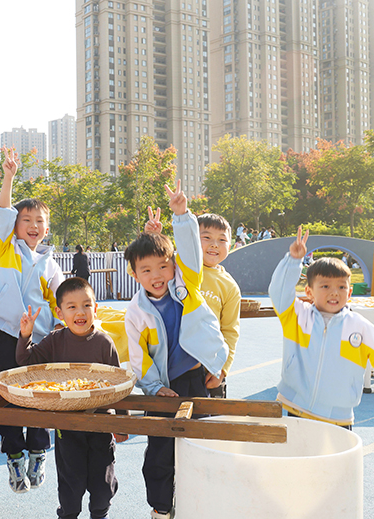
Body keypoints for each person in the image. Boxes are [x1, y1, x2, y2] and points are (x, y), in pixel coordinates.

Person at [124, 180, 228, 519]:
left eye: (163, 267)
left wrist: (182, 216)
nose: (157, 276)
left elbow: (189, 251)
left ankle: (203, 502)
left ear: (173, 265)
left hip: (196, 376)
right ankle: (161, 506)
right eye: (147, 270)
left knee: (202, 442)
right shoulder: (137, 312)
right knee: (160, 449)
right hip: (165, 387)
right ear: (135, 274)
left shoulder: (187, 284)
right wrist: (154, 388)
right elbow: (139, 357)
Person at [0, 147, 64, 494]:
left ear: (46, 229)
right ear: (15, 227)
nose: (33, 226)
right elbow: (3, 211)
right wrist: (9, 178)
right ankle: (14, 457)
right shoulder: (5, 249)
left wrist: (66, 320)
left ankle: (38, 452)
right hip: (6, 332)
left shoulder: (50, 262)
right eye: (26, 220)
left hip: (39, 338)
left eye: (39, 222)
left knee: (39, 395)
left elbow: (62, 298)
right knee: (7, 394)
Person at [17, 277, 121, 519]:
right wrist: (25, 335)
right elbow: (26, 360)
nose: (80, 312)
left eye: (86, 305)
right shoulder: (56, 340)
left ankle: (100, 513)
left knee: (102, 483)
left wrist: (121, 421)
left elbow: (118, 385)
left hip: (100, 425)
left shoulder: (104, 342)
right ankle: (68, 513)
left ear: (96, 309)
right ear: (60, 312)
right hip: (67, 424)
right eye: (72, 307)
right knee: (71, 483)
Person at [269, 226, 374, 429]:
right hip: (296, 409)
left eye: (341, 287)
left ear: (349, 294)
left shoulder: (360, 328)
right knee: (296, 460)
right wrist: (293, 260)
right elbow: (278, 291)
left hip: (338, 418)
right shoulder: (297, 316)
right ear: (309, 291)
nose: (334, 293)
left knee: (333, 461)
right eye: (325, 286)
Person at [144, 212, 240, 399]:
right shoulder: (176, 264)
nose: (214, 244)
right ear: (193, 239)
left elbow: (230, 330)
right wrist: (150, 238)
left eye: (222, 240)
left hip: (207, 369)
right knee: (165, 421)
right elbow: (138, 270)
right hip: (169, 364)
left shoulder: (229, 286)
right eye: (206, 237)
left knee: (209, 424)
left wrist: (222, 369)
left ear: (230, 244)